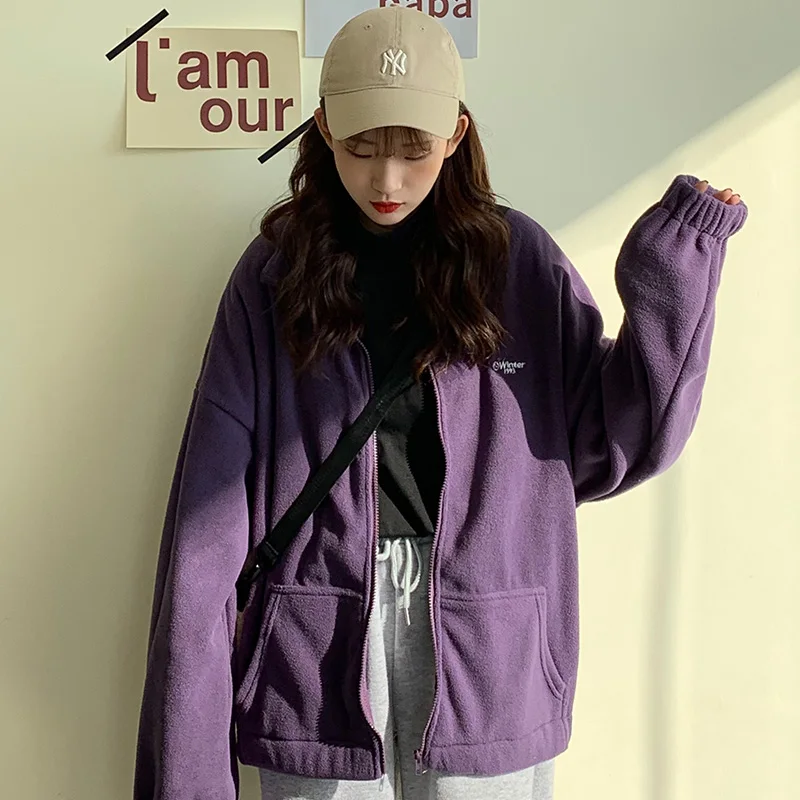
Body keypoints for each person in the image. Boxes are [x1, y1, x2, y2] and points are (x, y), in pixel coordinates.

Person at [132, 6, 747, 800]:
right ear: (324, 128)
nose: (387, 180)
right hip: (314, 649)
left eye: (413, 149)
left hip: (487, 647)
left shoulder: (517, 262)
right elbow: (209, 518)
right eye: (361, 147)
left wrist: (680, 262)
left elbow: (612, 446)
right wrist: (186, 770)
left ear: (455, 135)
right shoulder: (275, 274)